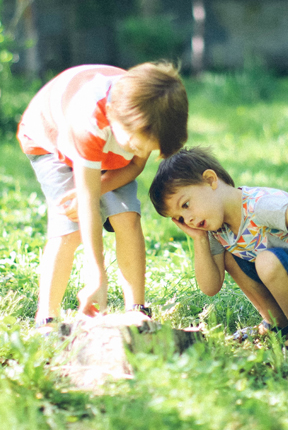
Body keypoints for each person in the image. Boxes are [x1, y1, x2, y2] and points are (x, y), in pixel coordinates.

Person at [18, 62, 188, 327]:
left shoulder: (150, 118)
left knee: (127, 217)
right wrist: (97, 274)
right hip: (50, 141)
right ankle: (47, 318)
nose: (138, 149)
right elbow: (87, 200)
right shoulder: (87, 119)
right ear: (111, 114)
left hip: (108, 150)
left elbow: (134, 165)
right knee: (69, 228)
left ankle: (137, 310)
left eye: (147, 148)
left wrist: (103, 185)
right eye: (134, 144)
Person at [149, 147, 288, 347]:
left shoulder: (260, 207)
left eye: (186, 205)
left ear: (211, 180)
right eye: (181, 218)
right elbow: (210, 287)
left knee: (266, 261)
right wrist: (199, 240)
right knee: (231, 256)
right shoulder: (216, 230)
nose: (190, 219)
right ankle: (277, 323)